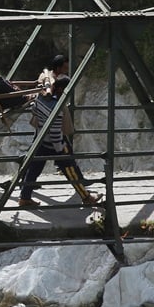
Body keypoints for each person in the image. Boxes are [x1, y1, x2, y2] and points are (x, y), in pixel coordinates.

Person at [18, 75, 101, 208]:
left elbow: (34, 111)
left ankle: (24, 198)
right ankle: (86, 197)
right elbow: (55, 133)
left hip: (41, 141)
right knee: (70, 170)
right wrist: (61, 149)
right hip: (54, 144)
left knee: (33, 170)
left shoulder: (40, 99)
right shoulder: (57, 107)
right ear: (62, 89)